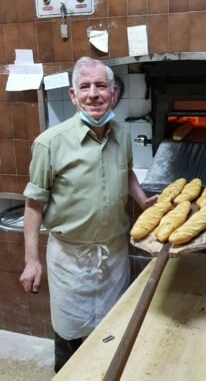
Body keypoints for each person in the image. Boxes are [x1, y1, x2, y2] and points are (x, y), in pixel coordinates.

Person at [19, 57, 157, 373]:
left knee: (112, 330)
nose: (93, 94)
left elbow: (127, 174)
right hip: (70, 260)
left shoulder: (122, 135)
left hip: (113, 255)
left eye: (100, 86)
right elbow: (33, 204)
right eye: (84, 87)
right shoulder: (50, 143)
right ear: (73, 95)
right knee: (71, 337)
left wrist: (143, 201)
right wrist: (31, 260)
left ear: (113, 92)